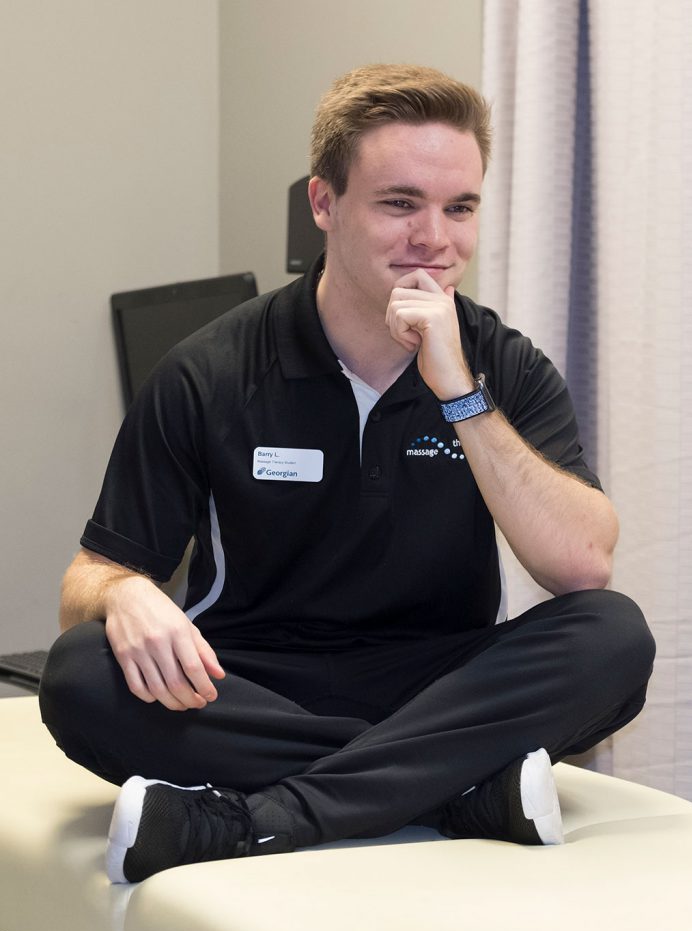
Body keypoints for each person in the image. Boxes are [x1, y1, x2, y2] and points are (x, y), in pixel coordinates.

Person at [39, 64, 655, 885]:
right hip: (250, 683)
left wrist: (460, 395)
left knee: (613, 635)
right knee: (81, 673)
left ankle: (260, 819)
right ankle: (454, 792)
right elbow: (91, 578)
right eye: (400, 203)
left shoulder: (500, 365)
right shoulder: (211, 371)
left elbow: (581, 564)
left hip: (441, 683)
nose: (435, 237)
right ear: (323, 205)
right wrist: (121, 594)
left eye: (460, 208)